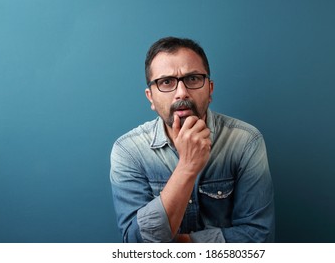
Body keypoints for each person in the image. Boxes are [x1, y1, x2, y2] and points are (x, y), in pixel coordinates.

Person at [110, 37, 275, 243]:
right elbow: (136, 245)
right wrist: (187, 166)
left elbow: (259, 237)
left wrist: (184, 243)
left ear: (210, 89)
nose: (182, 93)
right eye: (166, 82)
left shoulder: (246, 142)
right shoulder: (128, 151)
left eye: (193, 78)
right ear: (150, 97)